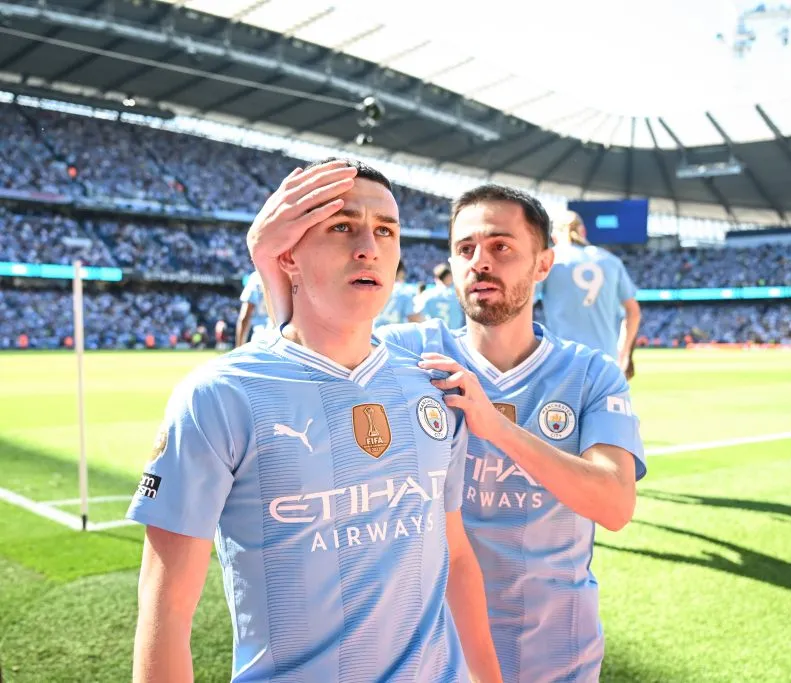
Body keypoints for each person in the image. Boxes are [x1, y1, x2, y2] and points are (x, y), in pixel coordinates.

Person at [248, 182, 645, 683]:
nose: (481, 262)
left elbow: (615, 505)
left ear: (543, 264)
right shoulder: (406, 352)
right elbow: (304, 345)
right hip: (437, 657)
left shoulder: (591, 373)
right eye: (465, 249)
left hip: (557, 654)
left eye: (501, 246)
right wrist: (269, 261)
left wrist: (497, 427)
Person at [127, 159, 501, 683]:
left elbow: (456, 556)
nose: (369, 246)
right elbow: (165, 612)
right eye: (341, 226)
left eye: (385, 231)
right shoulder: (219, 396)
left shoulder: (434, 386)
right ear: (288, 256)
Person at [536, 210, 641, 379]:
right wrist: (624, 350)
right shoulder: (610, 261)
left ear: (554, 236)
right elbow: (633, 312)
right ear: (583, 231)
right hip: (607, 362)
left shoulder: (550, 261)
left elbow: (523, 304)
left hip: (563, 361)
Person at [413, 263, 465, 330]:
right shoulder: (458, 295)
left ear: (436, 278)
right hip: (455, 336)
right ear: (449, 277)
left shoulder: (426, 295)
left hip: (434, 336)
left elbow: (415, 315)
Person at [374, 259, 420, 327]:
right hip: (395, 334)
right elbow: (413, 318)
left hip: (374, 333)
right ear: (401, 272)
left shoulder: (373, 289)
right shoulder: (404, 291)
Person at [235, 270, 270, 347]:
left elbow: (244, 317)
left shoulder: (256, 277)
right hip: (283, 337)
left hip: (261, 336)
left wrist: (239, 347)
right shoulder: (287, 274)